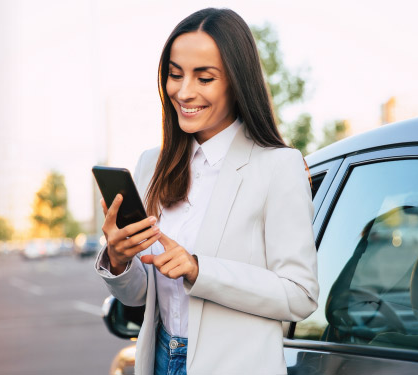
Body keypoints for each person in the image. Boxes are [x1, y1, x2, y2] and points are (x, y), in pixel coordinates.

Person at [95, 8, 318, 375]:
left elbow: (300, 294)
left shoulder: (278, 166)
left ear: (236, 81)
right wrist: (119, 260)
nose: (184, 92)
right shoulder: (152, 164)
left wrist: (199, 269)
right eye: (175, 74)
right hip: (161, 359)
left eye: (204, 78)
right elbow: (139, 297)